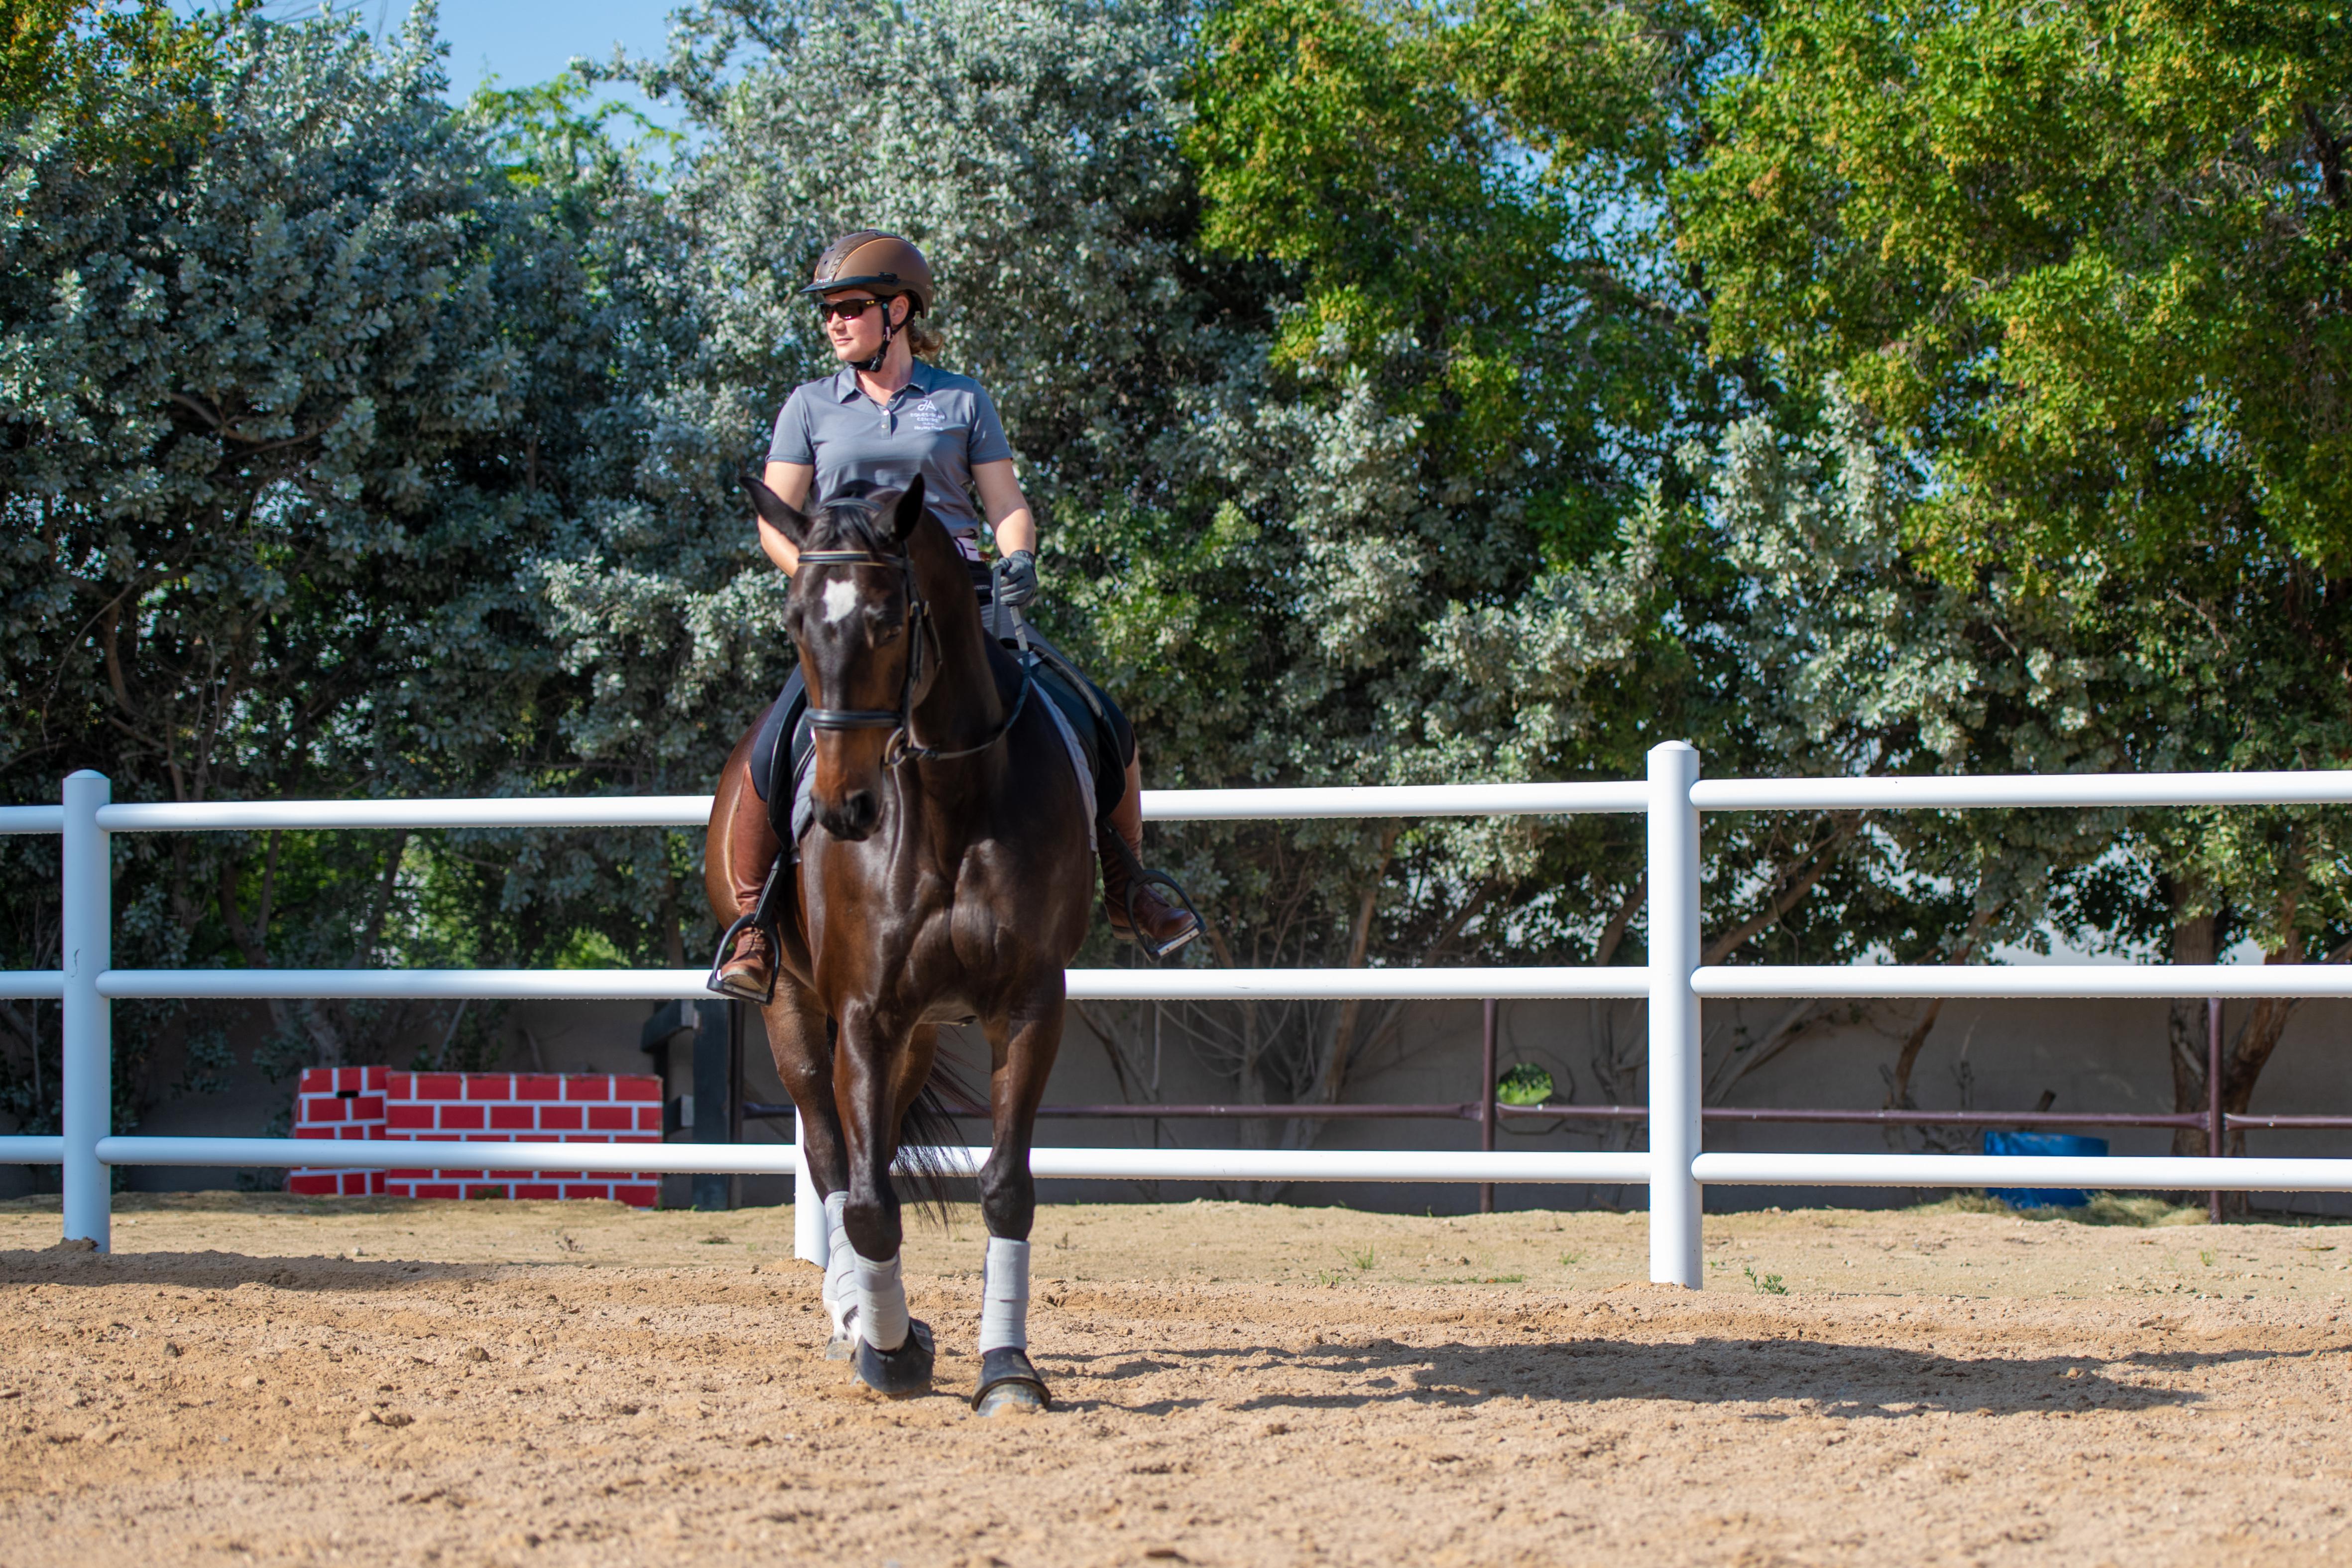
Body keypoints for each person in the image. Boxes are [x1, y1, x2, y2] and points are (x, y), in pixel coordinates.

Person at [709, 231, 1199, 1001]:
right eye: (828, 312)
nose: (834, 323)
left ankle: (1131, 884)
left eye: (850, 308)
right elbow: (779, 516)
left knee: (1099, 717)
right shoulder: (808, 406)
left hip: (964, 610)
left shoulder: (961, 399)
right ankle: (753, 924)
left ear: (897, 310)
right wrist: (826, 581)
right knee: (773, 743)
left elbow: (1005, 502)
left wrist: (1019, 556)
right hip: (857, 617)